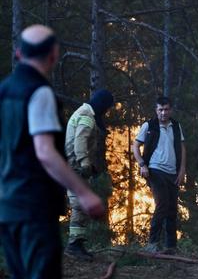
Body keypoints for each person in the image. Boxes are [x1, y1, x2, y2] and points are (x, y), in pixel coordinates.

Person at [0, 25, 105, 278]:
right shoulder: (39, 92)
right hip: (34, 206)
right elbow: (45, 152)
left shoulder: (4, 90)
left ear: (19, 53)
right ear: (53, 55)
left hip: (7, 206)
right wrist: (84, 192)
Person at [64, 88, 115, 260]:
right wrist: (85, 163)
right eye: (107, 107)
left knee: (80, 204)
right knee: (78, 205)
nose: (107, 111)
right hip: (76, 167)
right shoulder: (86, 115)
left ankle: (77, 243)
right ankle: (73, 246)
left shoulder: (85, 112)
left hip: (74, 165)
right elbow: (80, 140)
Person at [132, 96, 186, 254]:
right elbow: (135, 146)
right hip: (155, 170)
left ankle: (171, 247)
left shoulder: (176, 126)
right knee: (162, 204)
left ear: (171, 110)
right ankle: (152, 244)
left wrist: (182, 170)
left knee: (172, 209)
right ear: (156, 110)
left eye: (166, 109)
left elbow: (182, 147)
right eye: (160, 110)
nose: (163, 113)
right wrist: (142, 164)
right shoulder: (149, 125)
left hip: (173, 172)